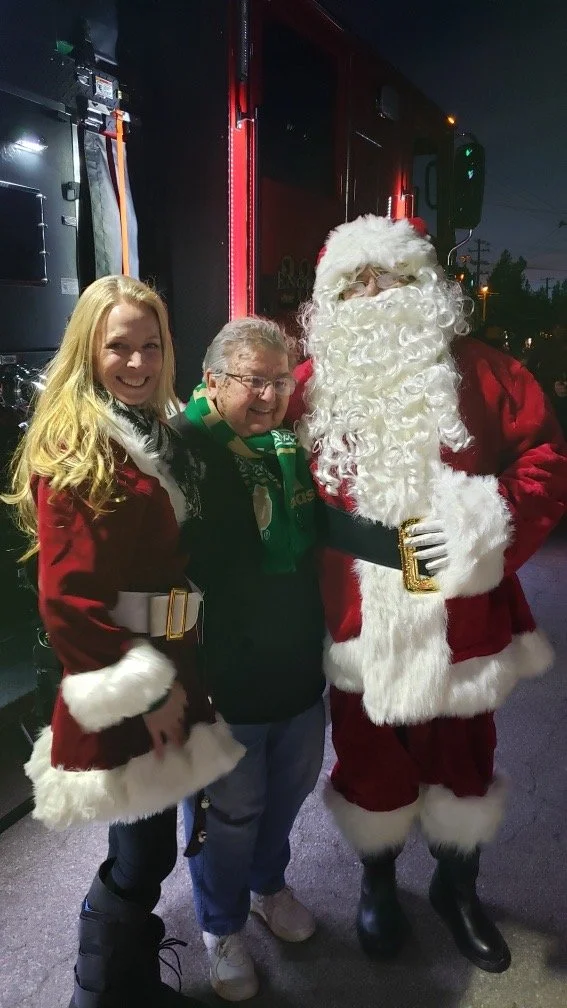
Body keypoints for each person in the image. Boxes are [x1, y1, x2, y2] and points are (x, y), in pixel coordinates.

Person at [288, 215, 567, 974]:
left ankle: (456, 886)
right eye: (353, 283)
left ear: (426, 288)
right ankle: (377, 884)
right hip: (355, 613)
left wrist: (482, 524)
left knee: (463, 759)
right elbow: (246, 445)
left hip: (461, 613)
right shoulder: (308, 388)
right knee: (368, 755)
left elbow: (545, 462)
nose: (372, 295)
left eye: (390, 278)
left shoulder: (487, 373)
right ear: (330, 302)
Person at [1, 275, 245, 1008]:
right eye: (119, 347)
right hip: (126, 672)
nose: (137, 363)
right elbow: (66, 601)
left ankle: (125, 982)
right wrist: (153, 692)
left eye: (150, 345)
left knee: (148, 845)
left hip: (166, 658)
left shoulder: (148, 431)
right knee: (140, 855)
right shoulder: (82, 442)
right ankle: (99, 993)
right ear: (88, 349)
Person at [171, 316, 326, 1001]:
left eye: (280, 381)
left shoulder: (289, 449)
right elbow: (159, 569)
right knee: (228, 814)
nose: (269, 396)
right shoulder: (182, 451)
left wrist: (418, 561)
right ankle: (220, 923)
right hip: (223, 678)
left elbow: (330, 526)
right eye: (252, 381)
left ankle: (268, 887)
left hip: (296, 667)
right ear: (212, 382)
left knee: (285, 797)